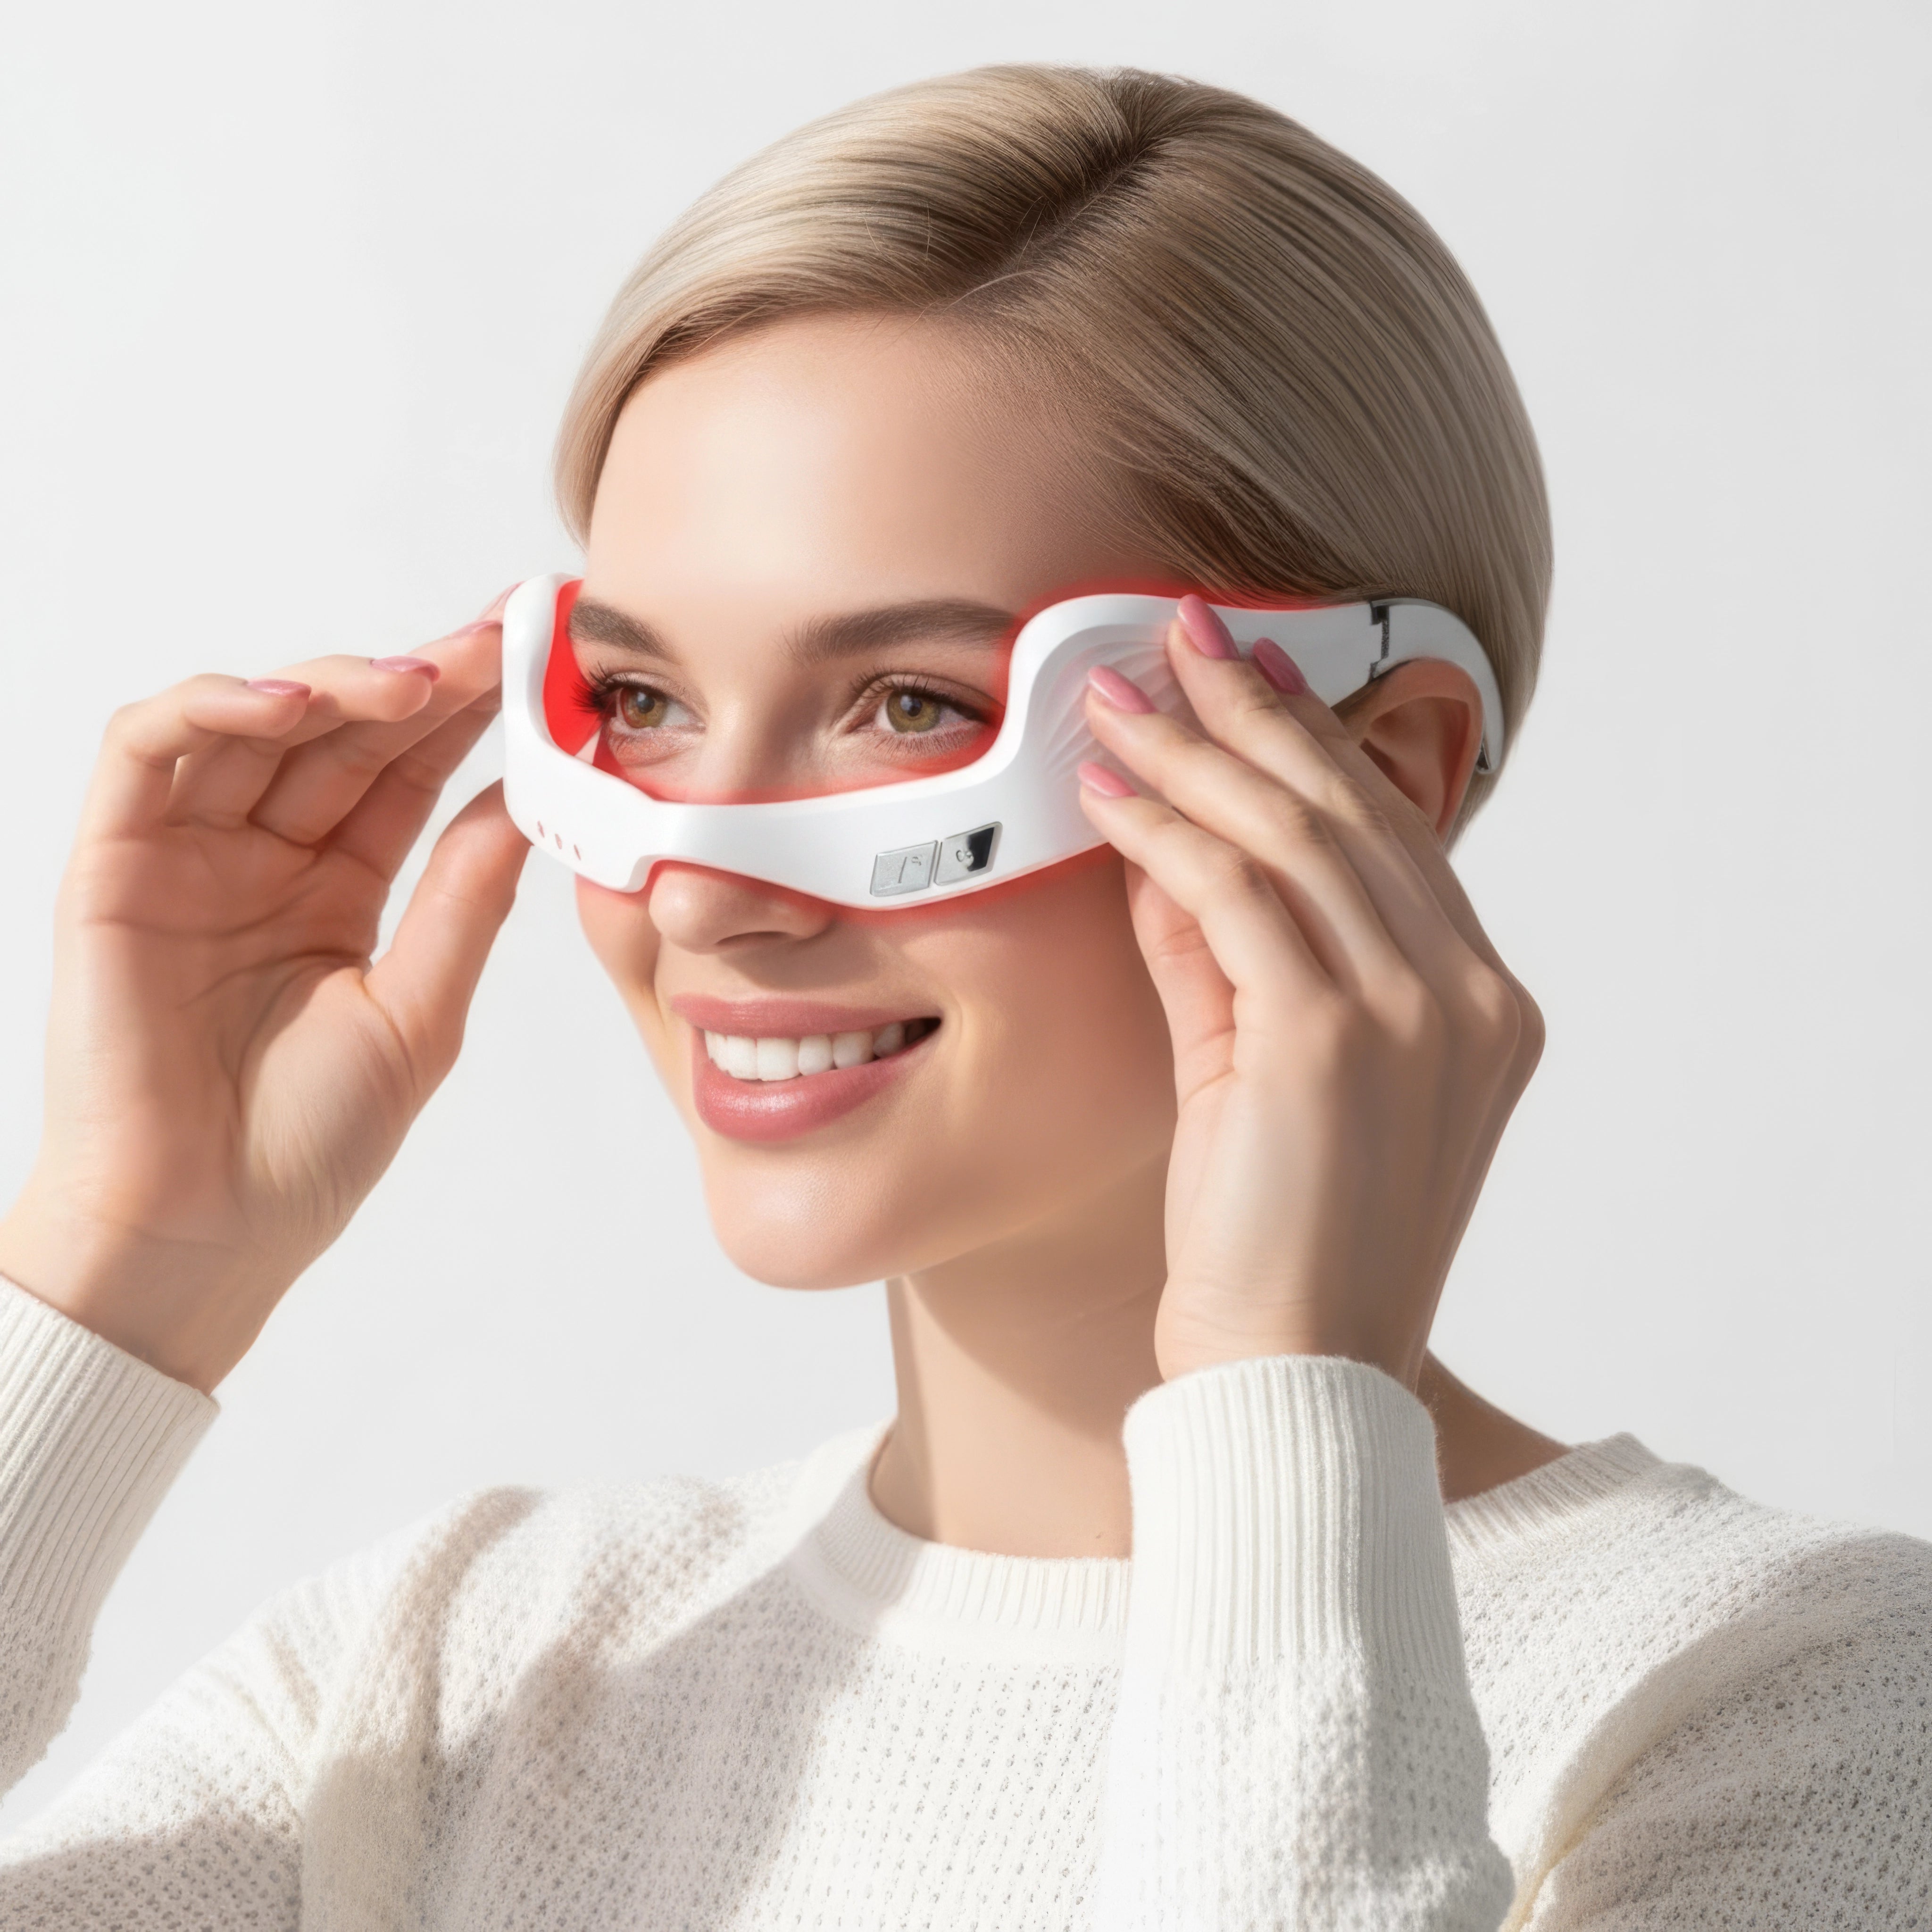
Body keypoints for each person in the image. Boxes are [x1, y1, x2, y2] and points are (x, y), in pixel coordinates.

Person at [0, 63, 1924, 1930]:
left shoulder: (1788, 1707)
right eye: (646, 703)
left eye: (911, 706)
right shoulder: (447, 1684)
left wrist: (1282, 1389)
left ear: (1388, 772)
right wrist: (116, 1274)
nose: (705, 890)